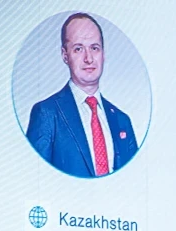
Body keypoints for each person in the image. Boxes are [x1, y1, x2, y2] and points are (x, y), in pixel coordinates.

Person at [26, 13, 139, 178]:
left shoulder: (122, 120)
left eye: (94, 48)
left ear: (103, 54)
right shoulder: (47, 113)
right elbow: (33, 179)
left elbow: (134, 182)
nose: (88, 58)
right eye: (78, 49)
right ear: (65, 55)